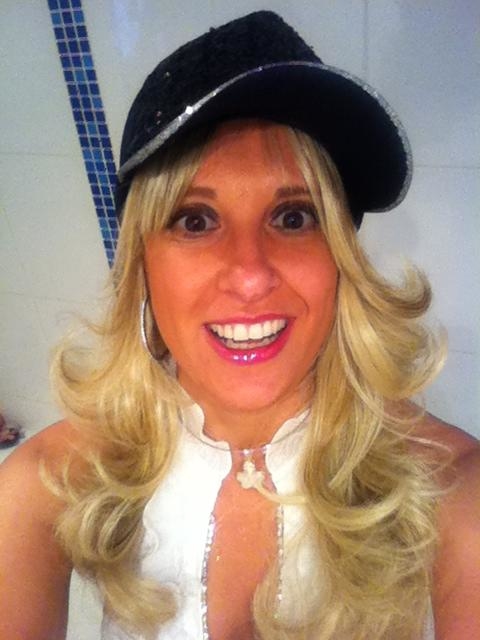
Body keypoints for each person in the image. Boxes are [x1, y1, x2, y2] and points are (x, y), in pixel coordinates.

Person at [0, 11, 479, 640]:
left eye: (294, 217)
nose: (250, 275)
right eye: (195, 221)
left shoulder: (454, 488)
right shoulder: (41, 486)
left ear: (339, 257)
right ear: (142, 265)